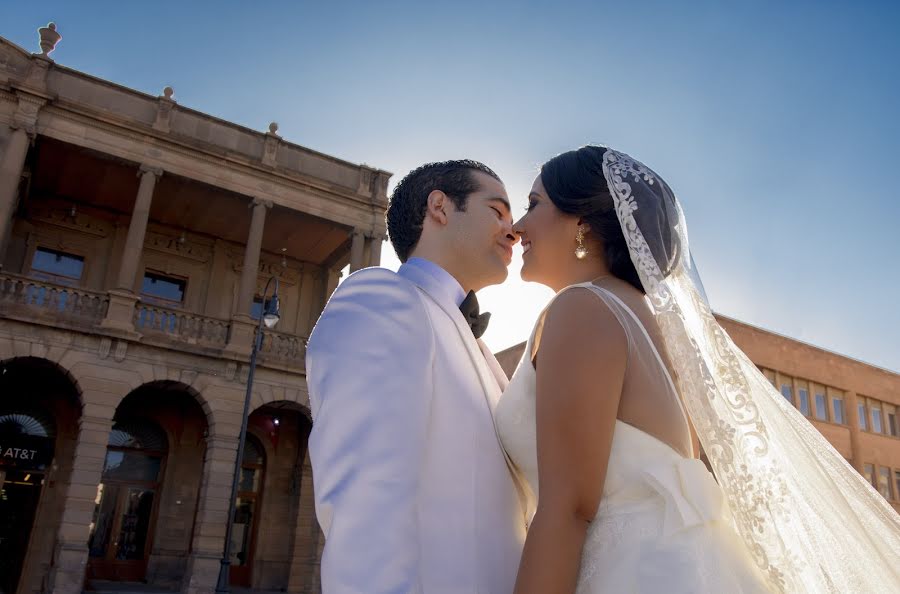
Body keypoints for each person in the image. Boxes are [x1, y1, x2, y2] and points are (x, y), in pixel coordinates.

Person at [496, 145, 900, 593]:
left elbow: (569, 505)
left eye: (534, 204)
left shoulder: (582, 308)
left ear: (583, 224)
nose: (517, 227)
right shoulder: (654, 329)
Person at [305, 159, 529, 593]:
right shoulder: (383, 299)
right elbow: (367, 504)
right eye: (498, 211)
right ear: (440, 208)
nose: (514, 228)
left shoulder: (482, 351)